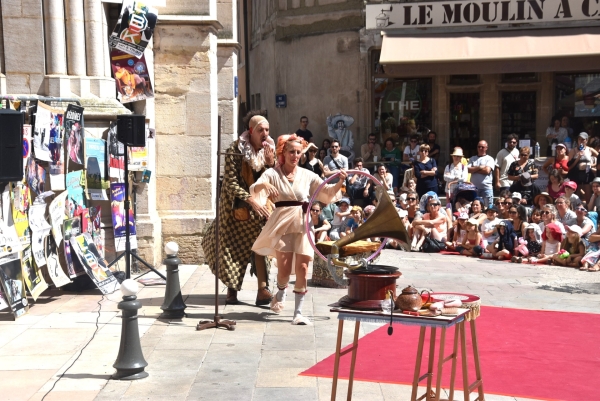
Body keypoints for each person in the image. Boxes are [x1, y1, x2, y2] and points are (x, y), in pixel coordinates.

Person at [250, 134, 345, 325]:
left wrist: (341, 182)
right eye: (291, 151)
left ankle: (298, 313)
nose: (294, 155)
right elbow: (256, 187)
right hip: (282, 223)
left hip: (303, 223)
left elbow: (325, 192)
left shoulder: (308, 175)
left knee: (302, 267)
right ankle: (281, 290)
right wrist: (265, 184)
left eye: (298, 152)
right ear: (283, 152)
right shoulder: (273, 173)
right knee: (284, 270)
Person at [201, 114, 276, 306]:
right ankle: (231, 292)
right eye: (261, 130)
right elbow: (231, 184)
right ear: (251, 131)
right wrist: (250, 200)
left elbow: (270, 178)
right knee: (234, 249)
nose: (265, 134)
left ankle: (262, 290)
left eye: (267, 130)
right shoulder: (235, 150)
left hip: (259, 208)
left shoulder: (268, 150)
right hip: (237, 206)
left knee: (260, 245)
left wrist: (270, 164)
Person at [568, 132, 598, 203]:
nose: (581, 141)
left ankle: (588, 211)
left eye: (583, 139)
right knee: (576, 197)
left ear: (586, 140)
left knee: (588, 196)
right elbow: (569, 166)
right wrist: (578, 157)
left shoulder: (589, 149)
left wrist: (593, 164)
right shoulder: (573, 150)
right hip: (576, 174)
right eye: (579, 139)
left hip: (587, 174)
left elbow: (598, 156)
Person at [468, 141, 495, 207]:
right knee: (475, 208)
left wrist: (474, 169)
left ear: (486, 148)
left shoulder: (490, 159)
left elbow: (487, 171)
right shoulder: (472, 158)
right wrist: (480, 167)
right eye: (479, 147)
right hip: (474, 188)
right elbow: (468, 170)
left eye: (482, 147)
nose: (480, 148)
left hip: (486, 189)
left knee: (489, 208)